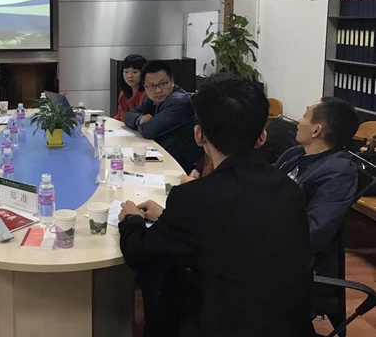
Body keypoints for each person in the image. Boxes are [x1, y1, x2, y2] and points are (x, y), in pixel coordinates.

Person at [118, 74, 314, 337]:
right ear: (262, 137)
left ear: (199, 135)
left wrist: (131, 219)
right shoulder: (290, 190)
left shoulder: (193, 198)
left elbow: (139, 254)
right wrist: (168, 216)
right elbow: (232, 232)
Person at [275, 97, 359, 276]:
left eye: (305, 115)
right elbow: (265, 183)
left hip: (293, 264)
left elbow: (312, 233)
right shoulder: (296, 153)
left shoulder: (339, 172)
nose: (299, 121)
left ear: (316, 130)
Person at [124, 60, 202, 171]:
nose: (158, 90)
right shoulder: (151, 98)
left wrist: (144, 124)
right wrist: (140, 119)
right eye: (151, 86)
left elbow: (148, 131)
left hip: (181, 166)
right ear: (145, 86)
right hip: (161, 157)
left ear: (172, 81)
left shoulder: (179, 102)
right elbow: (128, 115)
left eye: (163, 84)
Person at [114, 54, 147, 121]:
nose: (130, 76)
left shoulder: (147, 94)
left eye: (135, 72)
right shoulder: (123, 93)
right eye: (126, 72)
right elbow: (119, 117)